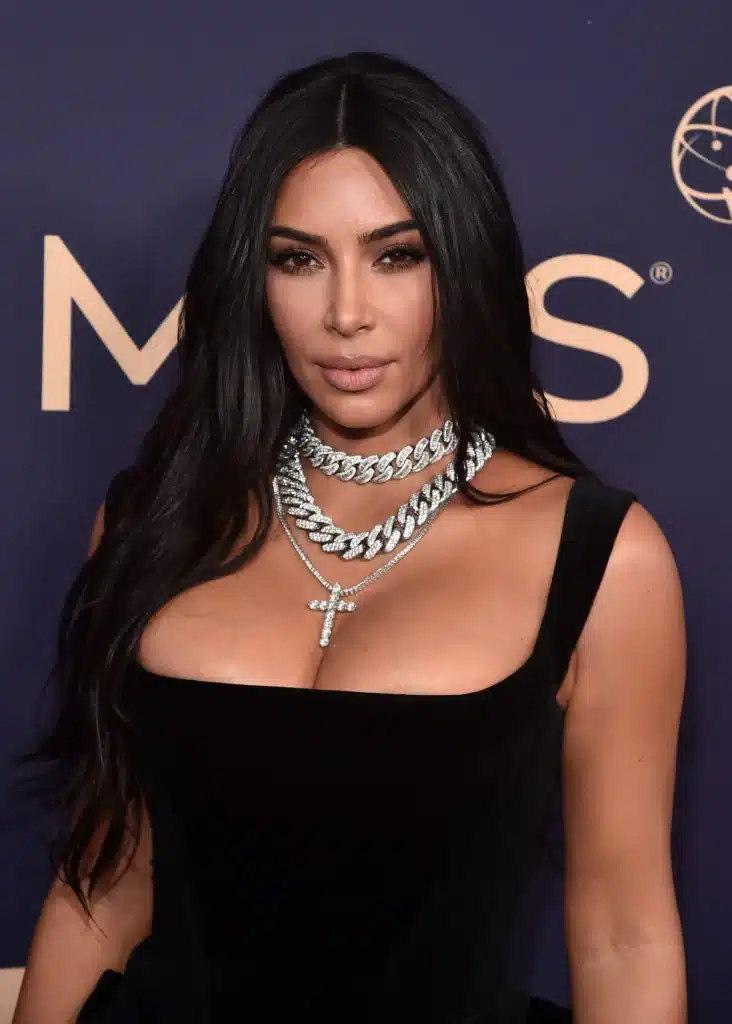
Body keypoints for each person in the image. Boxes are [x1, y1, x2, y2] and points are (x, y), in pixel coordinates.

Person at [14, 51, 687, 1023]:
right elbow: (102, 889)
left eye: (395, 254)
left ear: (464, 263)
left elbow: (625, 933)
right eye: (298, 258)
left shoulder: (605, 561)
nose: (345, 314)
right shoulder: (152, 523)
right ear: (255, 278)